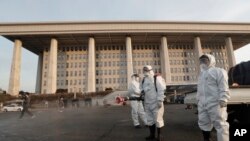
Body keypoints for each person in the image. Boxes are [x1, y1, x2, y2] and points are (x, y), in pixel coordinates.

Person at [197, 54, 230, 141]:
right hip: (203, 104)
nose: (203, 62)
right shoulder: (201, 75)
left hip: (216, 104)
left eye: (205, 60)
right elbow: (199, 89)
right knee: (203, 123)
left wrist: (223, 98)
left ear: (211, 60)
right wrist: (198, 100)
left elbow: (223, 86)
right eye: (202, 60)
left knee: (221, 125)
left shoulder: (219, 71)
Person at [141, 65, 166, 141]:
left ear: (150, 70)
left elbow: (161, 89)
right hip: (147, 103)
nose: (145, 71)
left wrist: (160, 100)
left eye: (146, 70)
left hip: (156, 103)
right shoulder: (144, 80)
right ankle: (152, 135)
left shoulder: (157, 78)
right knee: (150, 120)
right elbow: (142, 90)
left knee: (158, 119)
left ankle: (160, 136)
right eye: (144, 70)